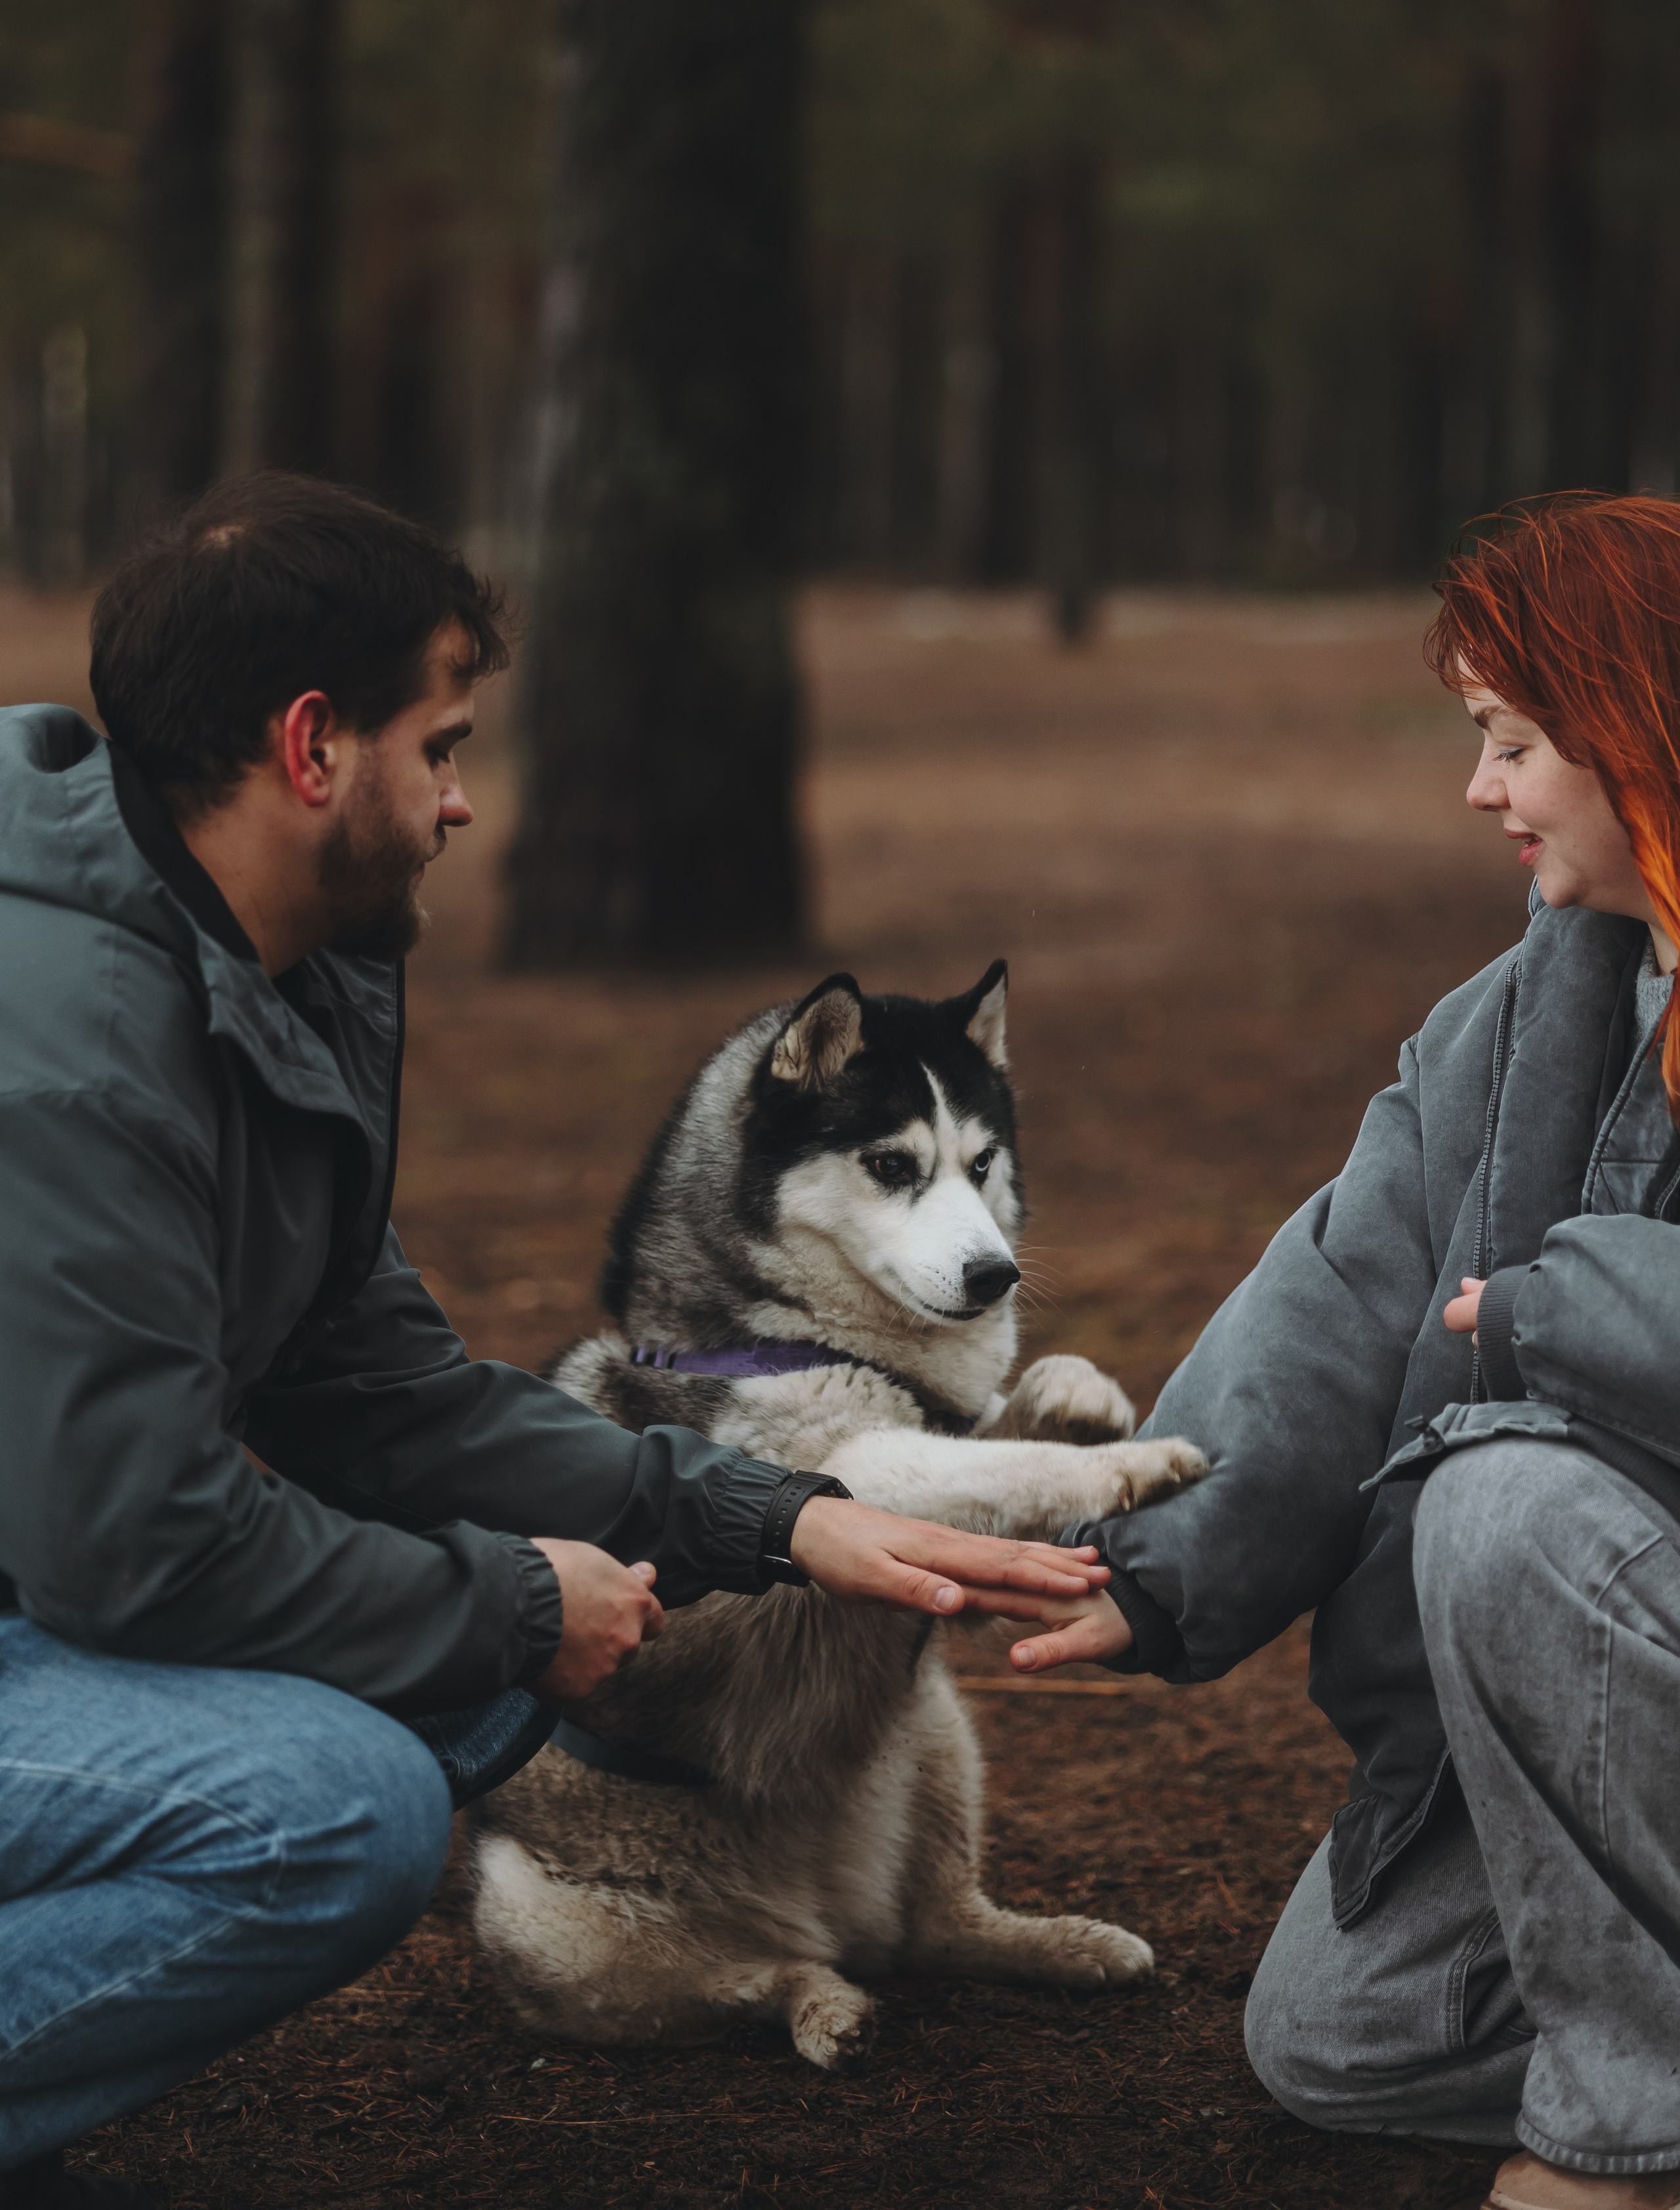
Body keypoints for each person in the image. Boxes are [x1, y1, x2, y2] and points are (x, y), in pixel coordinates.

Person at [0, 473, 1109, 2210]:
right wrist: (517, 1604)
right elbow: (126, 1538)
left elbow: (381, 1389)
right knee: (343, 1809)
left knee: (452, 1714)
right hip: (43, 1610)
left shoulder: (275, 966)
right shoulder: (69, 1049)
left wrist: (779, 1521)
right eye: (439, 747)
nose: (460, 803)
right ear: (313, 749)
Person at [1010, 492, 1680, 2210]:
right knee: (1343, 2034)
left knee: (1506, 1502)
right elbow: (1345, 1281)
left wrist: (1564, 1302)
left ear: (1635, 731)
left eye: (1513, 741)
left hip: (1617, 1612)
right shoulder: (1535, 1008)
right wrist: (1150, 1549)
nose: (1482, 790)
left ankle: (1630, 2135)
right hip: (1622, 1684)